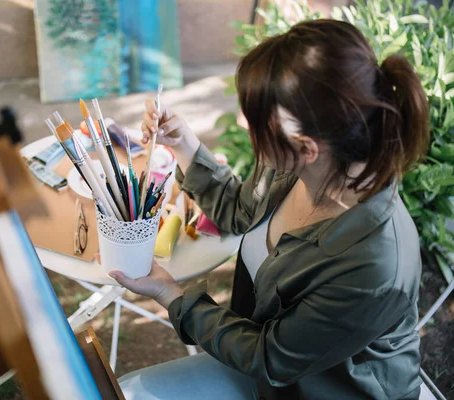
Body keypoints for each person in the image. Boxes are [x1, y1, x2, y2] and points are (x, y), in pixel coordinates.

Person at [109, 19, 429, 400]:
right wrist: (185, 146)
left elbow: (270, 356)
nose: (245, 125)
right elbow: (237, 211)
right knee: (129, 392)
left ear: (307, 147)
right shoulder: (301, 166)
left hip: (316, 389)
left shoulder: (374, 265)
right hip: (260, 359)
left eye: (257, 122)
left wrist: (171, 295)